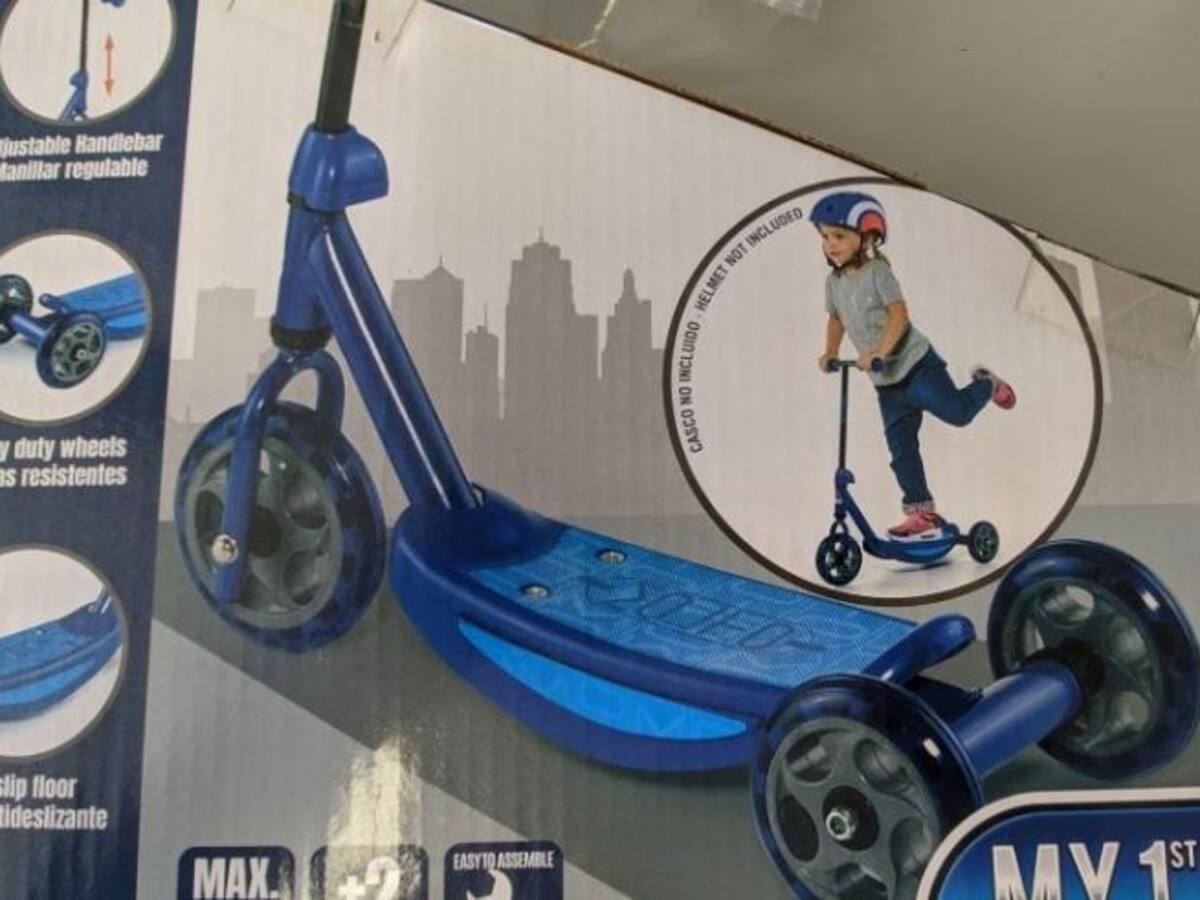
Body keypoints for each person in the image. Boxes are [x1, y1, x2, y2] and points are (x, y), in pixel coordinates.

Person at [812, 191, 1015, 539]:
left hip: (917, 365)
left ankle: (987, 383)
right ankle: (922, 514)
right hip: (886, 384)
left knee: (957, 413)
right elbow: (836, 318)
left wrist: (880, 351)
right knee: (901, 452)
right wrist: (830, 351)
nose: (831, 244)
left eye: (839, 236)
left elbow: (899, 315)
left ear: (867, 238)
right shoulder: (833, 282)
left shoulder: (878, 272)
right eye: (825, 236)